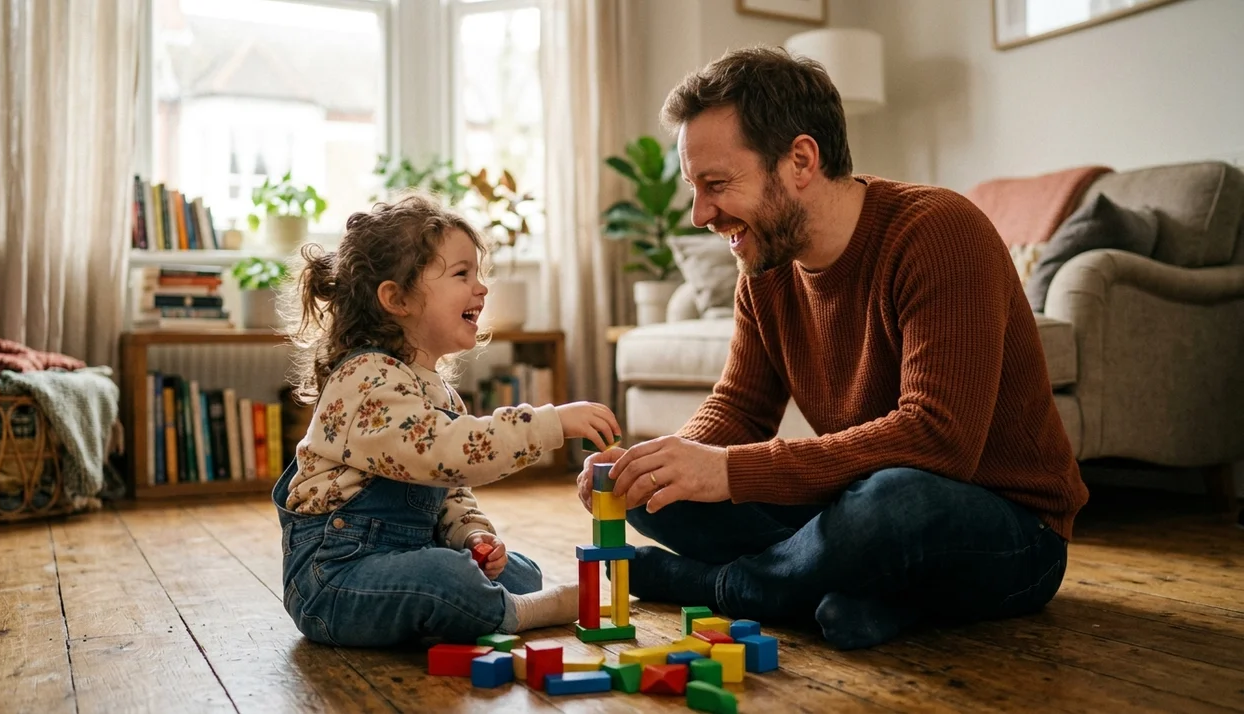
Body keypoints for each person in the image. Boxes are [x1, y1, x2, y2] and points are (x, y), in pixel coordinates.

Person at [579, 46, 1090, 650]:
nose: (698, 214)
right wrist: (671, 458)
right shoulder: (766, 266)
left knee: (889, 505)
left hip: (1006, 528)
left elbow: (939, 440)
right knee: (650, 494)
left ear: (800, 159)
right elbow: (740, 408)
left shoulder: (941, 232)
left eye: (716, 185)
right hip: (851, 503)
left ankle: (725, 587)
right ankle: (851, 597)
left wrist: (728, 470)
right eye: (695, 188)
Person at [274, 192, 621, 647]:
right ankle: (516, 613)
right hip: (334, 579)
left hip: (400, 557)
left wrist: (474, 536)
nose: (482, 288)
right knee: (447, 576)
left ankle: (499, 599)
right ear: (397, 298)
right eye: (462, 274)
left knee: (519, 572)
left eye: (478, 274)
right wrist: (549, 422)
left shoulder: (437, 391)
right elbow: (450, 455)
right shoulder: (365, 380)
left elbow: (449, 494)